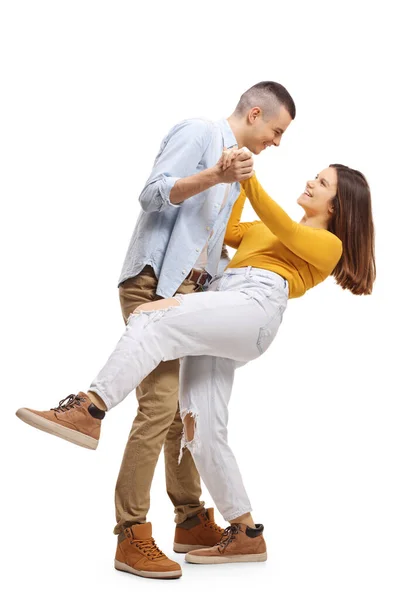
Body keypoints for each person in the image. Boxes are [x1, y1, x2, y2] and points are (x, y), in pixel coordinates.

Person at [16, 161, 375, 571]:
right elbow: (229, 230)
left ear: (337, 205)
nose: (311, 181)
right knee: (199, 427)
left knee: (153, 317)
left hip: (253, 307)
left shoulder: (328, 244)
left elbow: (284, 226)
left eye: (322, 182)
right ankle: (245, 531)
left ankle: (90, 408)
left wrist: (248, 177)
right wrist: (233, 183)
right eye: (316, 176)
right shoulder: (264, 227)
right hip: (226, 305)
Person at [15, 82, 296, 580]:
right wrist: (214, 175)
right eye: (276, 131)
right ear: (255, 113)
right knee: (161, 405)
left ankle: (188, 521)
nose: (277, 142)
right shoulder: (201, 134)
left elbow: (210, 238)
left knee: (178, 412)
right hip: (154, 280)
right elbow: (151, 195)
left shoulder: (237, 170)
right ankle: (131, 533)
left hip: (189, 291)